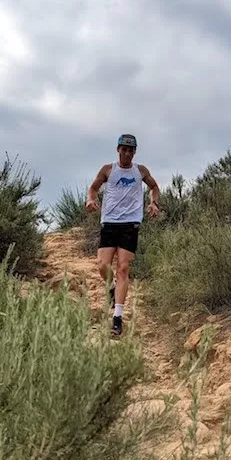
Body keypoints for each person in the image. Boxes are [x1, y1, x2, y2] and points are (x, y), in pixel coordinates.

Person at [86, 133, 160, 336]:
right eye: (123, 149)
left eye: (130, 150)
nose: (127, 153)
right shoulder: (108, 170)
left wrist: (154, 202)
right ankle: (110, 287)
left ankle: (117, 318)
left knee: (124, 268)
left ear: (134, 152)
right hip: (109, 221)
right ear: (118, 150)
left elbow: (154, 187)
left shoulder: (140, 171)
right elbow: (93, 188)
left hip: (130, 223)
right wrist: (90, 200)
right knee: (103, 265)